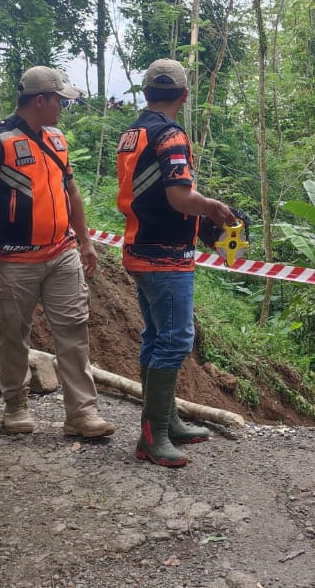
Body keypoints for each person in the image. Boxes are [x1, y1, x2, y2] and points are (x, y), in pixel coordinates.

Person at [0, 66, 116, 439]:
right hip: (13, 260)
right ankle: (15, 404)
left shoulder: (56, 138)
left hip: (62, 253)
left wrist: (84, 241)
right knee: (15, 334)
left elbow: (72, 192)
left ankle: (81, 413)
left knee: (73, 331)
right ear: (39, 100)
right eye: (59, 101)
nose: (63, 107)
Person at [116, 58, 236, 468]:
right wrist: (214, 207)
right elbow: (179, 198)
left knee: (156, 337)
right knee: (174, 340)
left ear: (146, 92)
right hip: (165, 254)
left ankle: (166, 420)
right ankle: (154, 436)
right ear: (183, 96)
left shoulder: (133, 132)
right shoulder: (170, 136)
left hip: (139, 245)